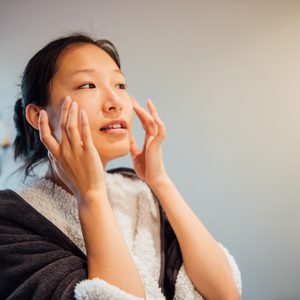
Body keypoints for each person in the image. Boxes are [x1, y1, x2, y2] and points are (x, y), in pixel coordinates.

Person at [0, 33, 242, 300]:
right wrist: (90, 196)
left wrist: (159, 181)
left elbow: (224, 292)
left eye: (120, 85)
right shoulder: (11, 218)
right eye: (88, 85)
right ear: (37, 115)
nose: (115, 101)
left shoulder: (138, 193)